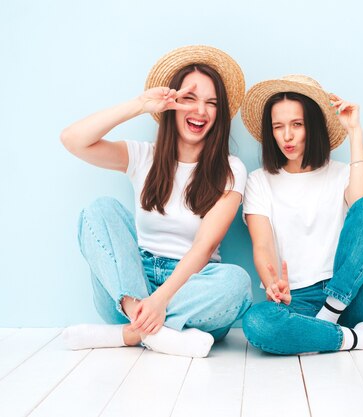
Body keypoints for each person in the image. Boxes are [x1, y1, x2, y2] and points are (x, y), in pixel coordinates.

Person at [60, 45, 252, 358]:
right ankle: (151, 329)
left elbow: (204, 247)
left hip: (194, 291)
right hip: (131, 285)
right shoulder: (142, 156)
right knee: (99, 210)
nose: (200, 111)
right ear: (172, 104)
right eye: (189, 98)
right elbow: (73, 139)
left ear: (219, 114)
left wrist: (162, 300)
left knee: (237, 282)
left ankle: (129, 334)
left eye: (211, 103)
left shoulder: (231, 170)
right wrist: (140, 104)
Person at [239, 75, 363, 354]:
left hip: (355, 297)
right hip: (298, 300)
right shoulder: (259, 181)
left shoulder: (340, 174)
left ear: (312, 127)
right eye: (278, 127)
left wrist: (355, 133)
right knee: (257, 323)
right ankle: (360, 339)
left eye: (297, 125)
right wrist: (271, 284)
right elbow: (262, 244)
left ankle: (330, 318)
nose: (287, 136)